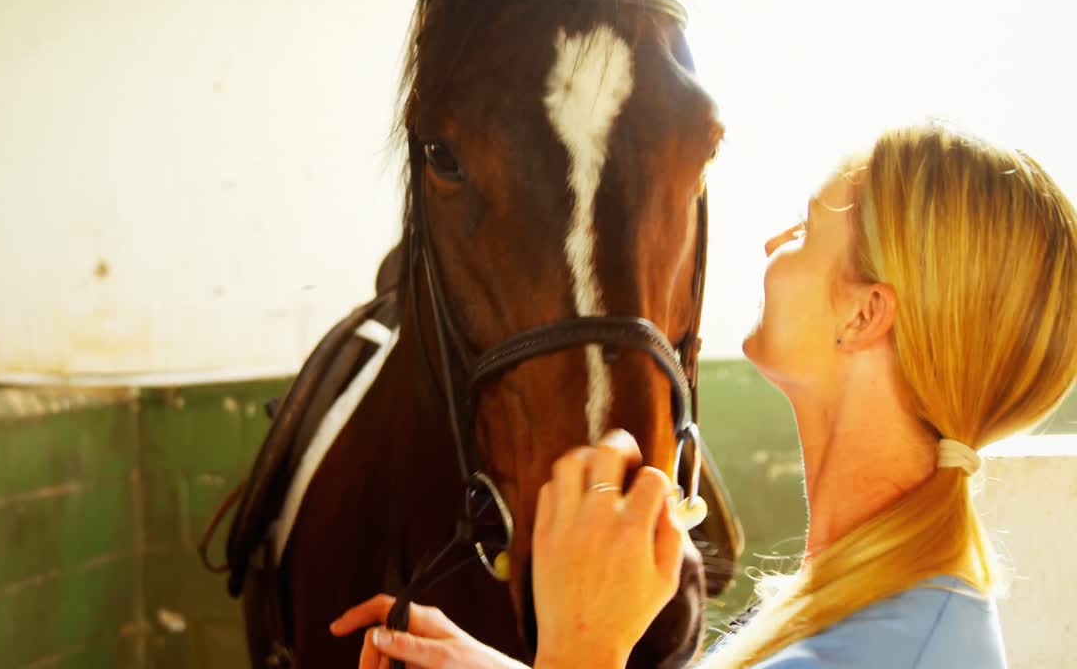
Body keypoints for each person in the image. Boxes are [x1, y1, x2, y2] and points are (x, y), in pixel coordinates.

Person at [328, 122, 1077, 668]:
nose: (772, 245)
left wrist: (581, 643)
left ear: (864, 314)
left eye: (806, 229)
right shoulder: (871, 604)